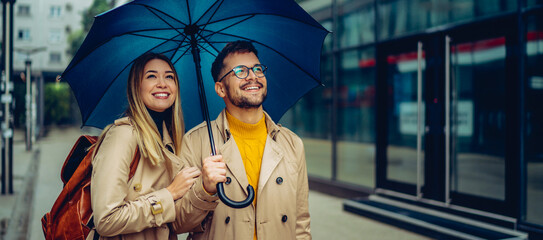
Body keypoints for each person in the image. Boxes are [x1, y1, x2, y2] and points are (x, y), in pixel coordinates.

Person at [179, 40, 311, 239]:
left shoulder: (292, 144)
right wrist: (204, 189)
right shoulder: (194, 142)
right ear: (220, 89)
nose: (253, 77)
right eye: (240, 71)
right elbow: (180, 223)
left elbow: (301, 223)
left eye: (257, 69)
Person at [88, 52, 202, 239]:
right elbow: (106, 220)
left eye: (169, 77)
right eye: (151, 76)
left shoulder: (169, 141)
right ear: (137, 86)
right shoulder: (123, 135)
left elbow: (174, 223)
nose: (162, 83)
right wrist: (169, 193)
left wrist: (205, 189)